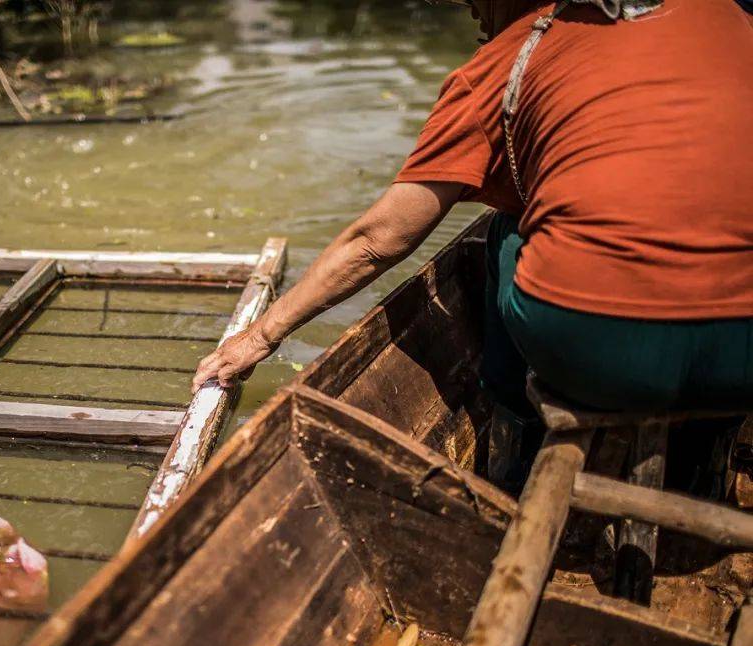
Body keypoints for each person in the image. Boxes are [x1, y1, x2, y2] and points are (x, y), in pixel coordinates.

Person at [191, 0, 753, 486]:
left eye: (474, 4)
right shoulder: (730, 16)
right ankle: (710, 462)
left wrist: (262, 335)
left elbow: (379, 239)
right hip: (744, 361)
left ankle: (510, 456)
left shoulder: (508, 60)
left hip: (596, 351)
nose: (476, 20)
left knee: (506, 227)